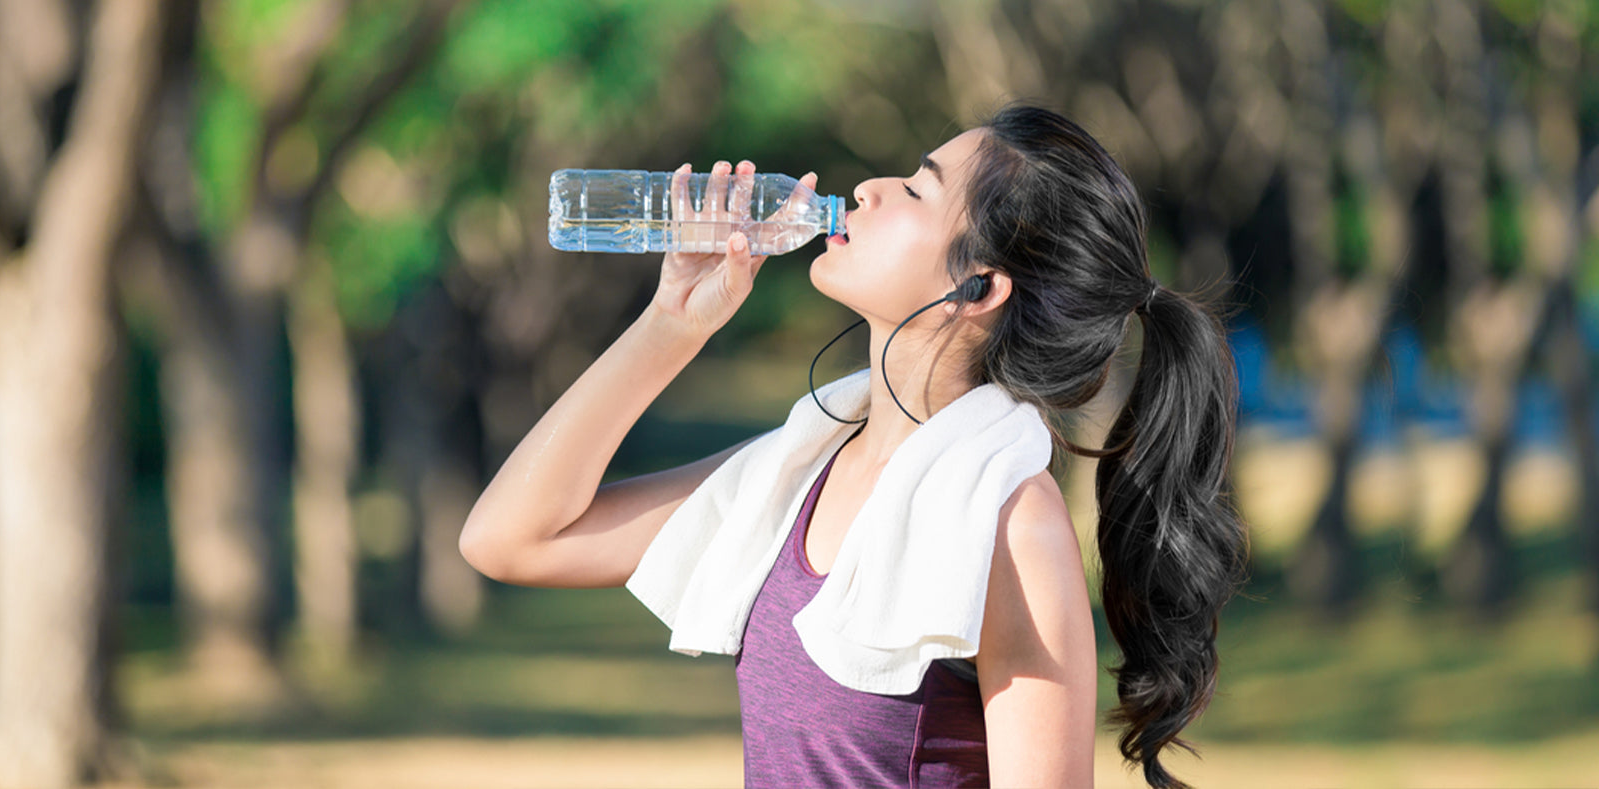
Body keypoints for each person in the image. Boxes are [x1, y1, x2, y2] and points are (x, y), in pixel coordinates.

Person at [459, 102, 1247, 789]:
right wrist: (674, 322)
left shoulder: (1010, 520)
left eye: (915, 188)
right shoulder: (795, 474)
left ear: (979, 286)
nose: (867, 189)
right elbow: (510, 538)